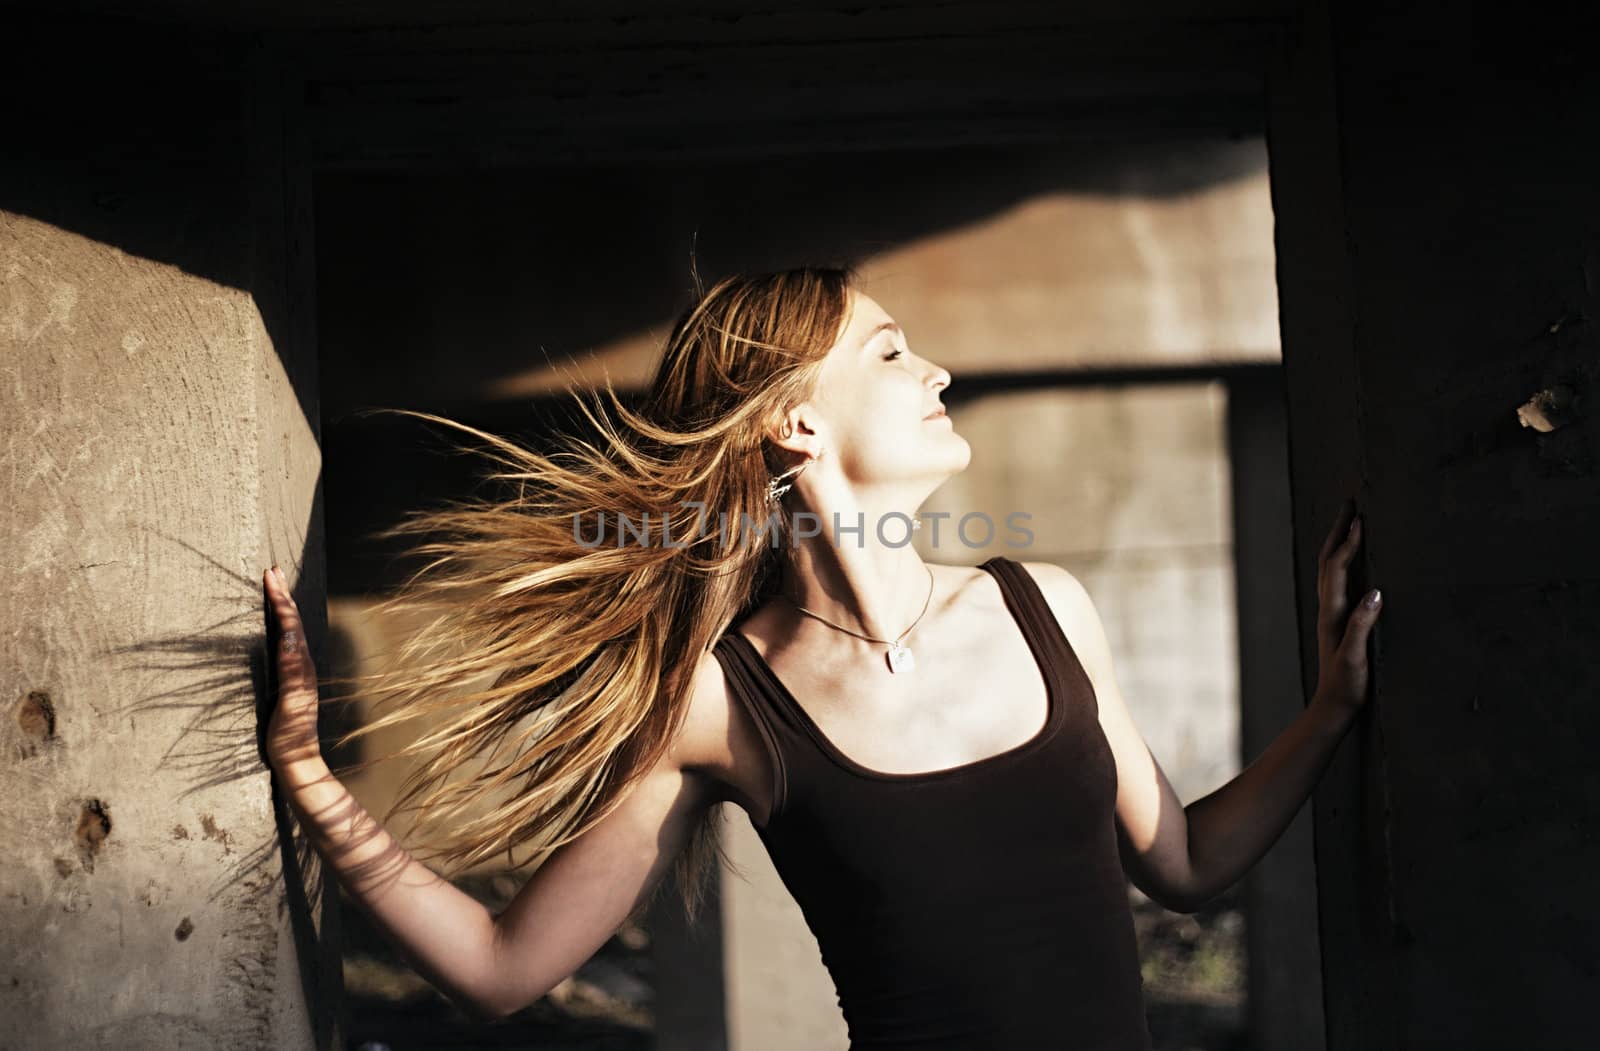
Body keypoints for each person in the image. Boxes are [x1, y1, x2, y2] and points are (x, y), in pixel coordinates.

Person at [262, 265, 1383, 1048]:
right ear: (793, 422)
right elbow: (499, 973)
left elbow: (1184, 864)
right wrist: (315, 784)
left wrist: (1328, 706)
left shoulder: (1044, 610)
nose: (937, 370)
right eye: (892, 352)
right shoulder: (718, 704)